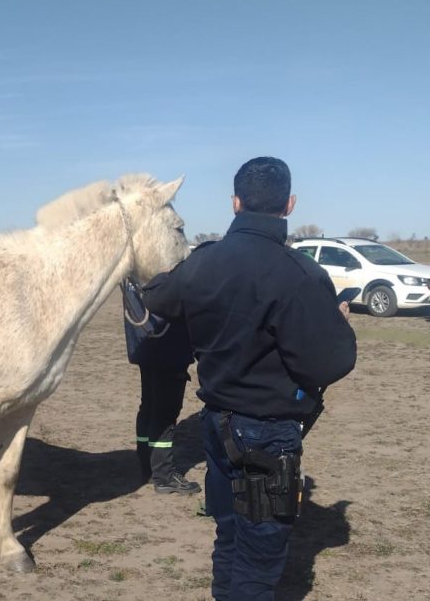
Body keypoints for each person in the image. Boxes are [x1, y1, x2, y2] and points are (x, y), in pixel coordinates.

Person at [141, 156, 356, 601]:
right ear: (290, 204)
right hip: (269, 435)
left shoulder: (203, 263)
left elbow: (159, 297)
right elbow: (329, 364)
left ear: (235, 202)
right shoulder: (303, 275)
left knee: (229, 536)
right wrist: (336, 323)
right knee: (259, 556)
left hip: (217, 426)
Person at [122, 279, 200, 495]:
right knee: (165, 413)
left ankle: (146, 464)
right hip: (168, 347)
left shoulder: (133, 277)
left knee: (148, 406)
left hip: (145, 344)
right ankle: (164, 475)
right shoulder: (166, 274)